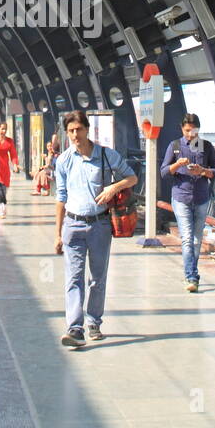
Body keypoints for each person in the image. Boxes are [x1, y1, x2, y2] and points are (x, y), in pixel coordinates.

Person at [54, 110, 136, 347]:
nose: (75, 135)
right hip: (72, 224)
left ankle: (94, 322)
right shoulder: (64, 161)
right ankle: (75, 328)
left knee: (97, 278)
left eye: (78, 129)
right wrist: (57, 234)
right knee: (74, 277)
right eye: (70, 131)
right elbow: (61, 197)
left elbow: (131, 178)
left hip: (99, 224)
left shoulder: (106, 156)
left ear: (87, 129)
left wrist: (113, 188)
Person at [161, 113, 215, 293]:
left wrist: (203, 171)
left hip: (201, 197)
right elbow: (164, 172)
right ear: (182, 129)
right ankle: (191, 276)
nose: (190, 135)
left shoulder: (207, 147)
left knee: (196, 240)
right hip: (181, 197)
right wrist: (176, 165)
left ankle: (191, 272)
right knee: (187, 238)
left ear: (198, 129)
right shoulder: (175, 146)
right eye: (187, 131)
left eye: (193, 131)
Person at [0, 122, 18, 220]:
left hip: (5, 168)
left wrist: (15, 164)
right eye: (2, 129)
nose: (4, 131)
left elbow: (13, 154)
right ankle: (1, 210)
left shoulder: (9, 141)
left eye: (5, 129)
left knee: (4, 190)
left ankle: (2, 207)